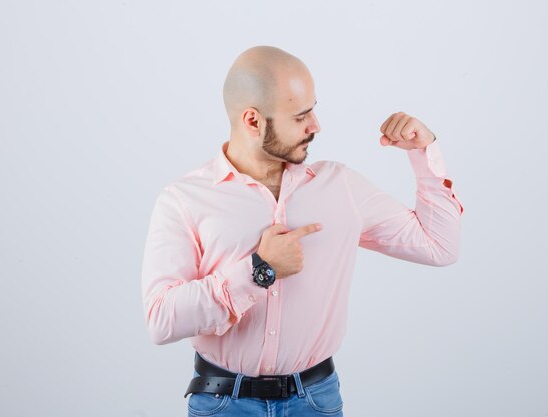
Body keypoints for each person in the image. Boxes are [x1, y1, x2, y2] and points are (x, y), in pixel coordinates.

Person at [141, 45, 464, 416]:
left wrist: (424, 152)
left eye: (313, 109)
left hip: (315, 400)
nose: (316, 126)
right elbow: (161, 320)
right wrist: (258, 270)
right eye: (300, 116)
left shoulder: (341, 187)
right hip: (222, 403)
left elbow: (439, 246)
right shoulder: (185, 199)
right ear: (253, 121)